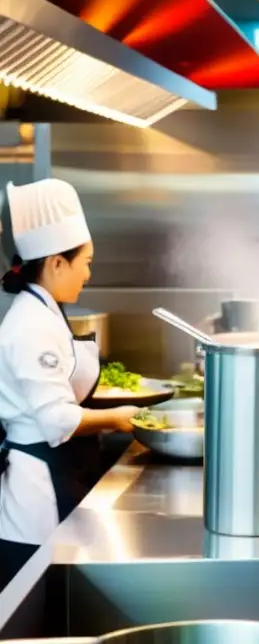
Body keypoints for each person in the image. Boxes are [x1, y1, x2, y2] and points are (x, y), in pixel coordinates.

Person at [0, 179, 138, 587]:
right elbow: (58, 421)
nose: (89, 273)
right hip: (34, 501)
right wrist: (120, 419)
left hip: (56, 475)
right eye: (86, 261)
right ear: (57, 263)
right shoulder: (30, 325)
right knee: (32, 610)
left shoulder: (44, 311)